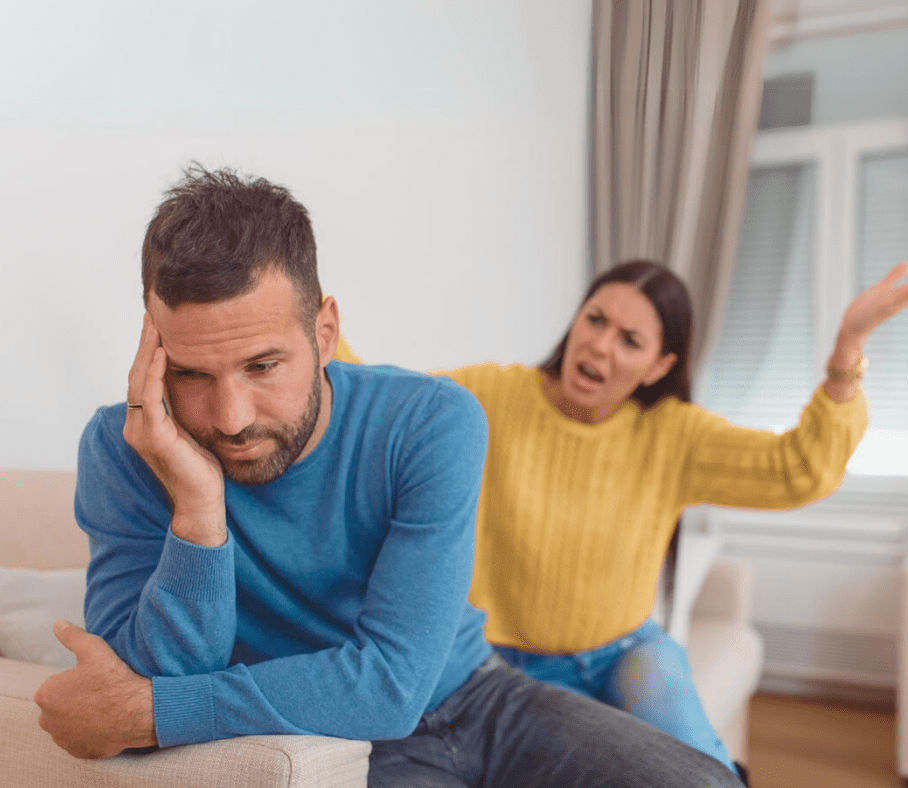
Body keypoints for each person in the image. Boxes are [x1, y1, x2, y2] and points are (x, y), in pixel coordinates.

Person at [32, 166, 745, 788]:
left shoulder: (432, 422)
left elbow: (393, 684)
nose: (231, 418)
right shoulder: (129, 446)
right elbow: (149, 670)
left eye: (262, 365)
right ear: (154, 351)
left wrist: (150, 716)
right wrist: (196, 511)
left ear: (324, 330)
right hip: (351, 746)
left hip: (478, 695)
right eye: (190, 374)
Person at [419, 258, 908, 777]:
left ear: (659, 367)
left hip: (626, 651)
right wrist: (332, 333)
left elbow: (798, 469)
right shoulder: (489, 397)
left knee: (706, 773)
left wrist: (848, 347)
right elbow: (383, 407)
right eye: (595, 319)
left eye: (630, 340)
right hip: (504, 667)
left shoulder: (672, 435)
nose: (600, 345)